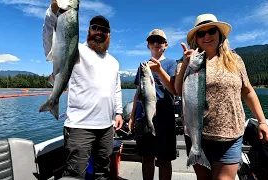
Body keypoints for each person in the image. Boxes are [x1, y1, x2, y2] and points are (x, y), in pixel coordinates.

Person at [174, 14, 268, 180]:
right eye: (201, 33)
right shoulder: (187, 61)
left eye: (211, 30)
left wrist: (262, 121)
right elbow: (177, 90)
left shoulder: (235, 60)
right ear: (196, 39)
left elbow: (248, 91)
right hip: (197, 137)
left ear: (220, 33)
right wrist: (185, 64)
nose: (207, 36)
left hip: (230, 136)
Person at [42, 0, 123, 179]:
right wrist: (52, 11)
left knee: (103, 173)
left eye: (104, 30)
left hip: (107, 127)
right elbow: (50, 39)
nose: (99, 32)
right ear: (88, 30)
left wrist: (118, 112)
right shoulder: (75, 50)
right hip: (79, 127)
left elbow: (116, 89)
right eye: (95, 27)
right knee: (74, 174)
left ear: (109, 35)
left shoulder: (114, 62)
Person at [128, 29, 177, 180]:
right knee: (147, 157)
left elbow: (174, 90)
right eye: (152, 41)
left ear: (166, 45)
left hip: (165, 117)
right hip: (144, 116)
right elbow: (138, 92)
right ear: (148, 45)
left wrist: (160, 70)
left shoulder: (171, 63)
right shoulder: (142, 66)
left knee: (164, 159)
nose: (156, 44)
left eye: (160, 41)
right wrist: (131, 116)